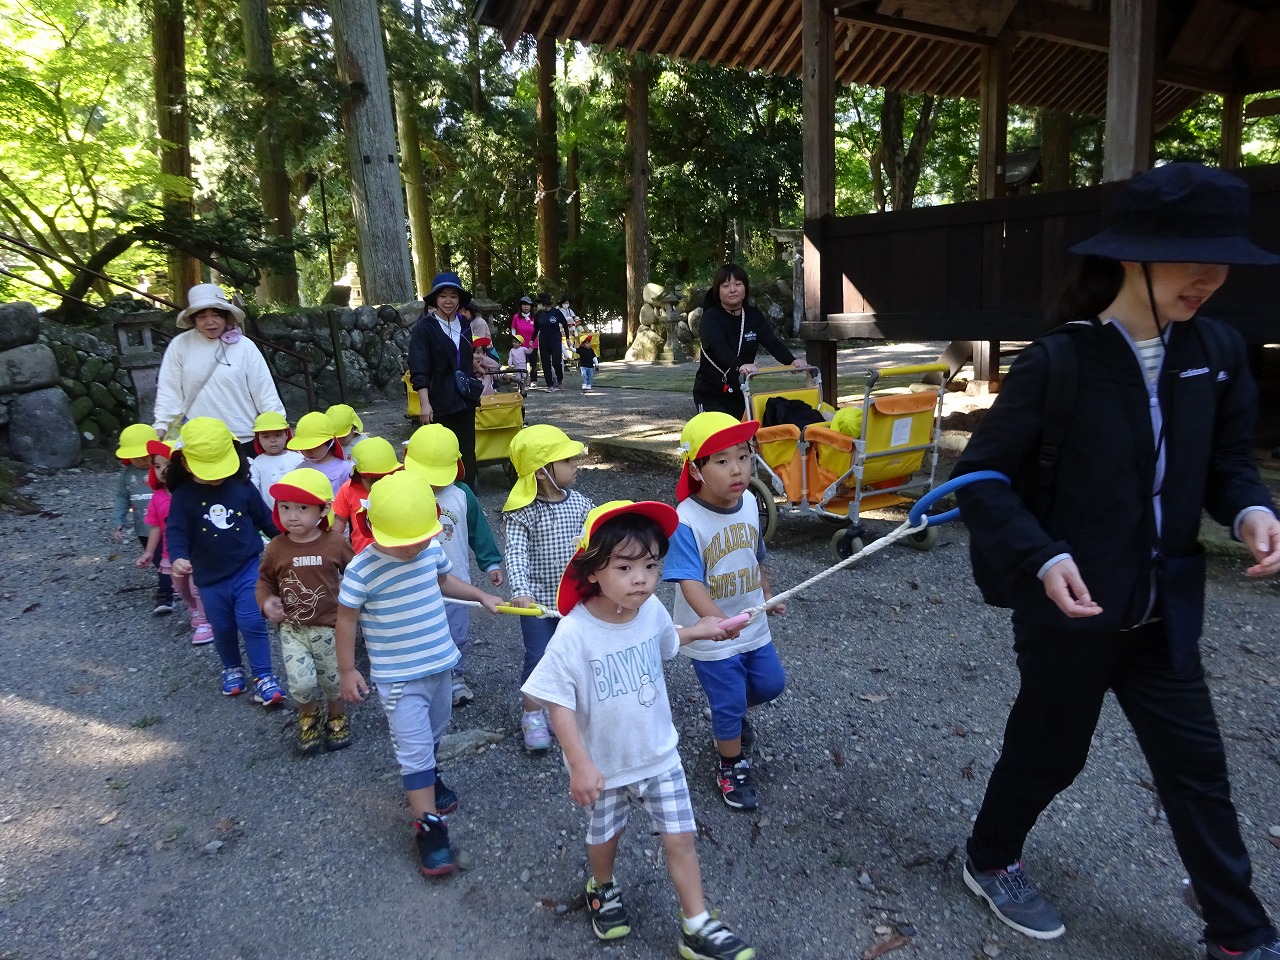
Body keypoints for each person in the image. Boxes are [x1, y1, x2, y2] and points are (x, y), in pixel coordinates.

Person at [950, 162, 1280, 958]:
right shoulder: (1059, 361)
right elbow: (981, 479)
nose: (1209, 278)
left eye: (1222, 259)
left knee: (1197, 768)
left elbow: (1228, 461)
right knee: (1050, 753)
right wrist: (1042, 557)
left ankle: (1240, 936)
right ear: (1133, 255)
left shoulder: (1220, 351)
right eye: (1191, 258)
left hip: (1164, 606)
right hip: (1072, 608)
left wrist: (1252, 508)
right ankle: (989, 857)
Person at [522, 500, 754, 960]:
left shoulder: (650, 612)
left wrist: (702, 629)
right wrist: (580, 764)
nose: (641, 579)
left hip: (658, 754)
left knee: (681, 836)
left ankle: (696, 924)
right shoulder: (574, 632)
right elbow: (556, 699)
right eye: (625, 567)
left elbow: (667, 639)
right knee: (605, 837)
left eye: (650, 566)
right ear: (593, 570)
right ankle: (602, 887)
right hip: (604, 765)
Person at [336, 470, 502, 878]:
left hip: (440, 666)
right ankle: (430, 831)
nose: (413, 548)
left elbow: (445, 581)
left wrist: (480, 594)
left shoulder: (430, 551)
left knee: (435, 730)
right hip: (398, 679)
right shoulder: (362, 570)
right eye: (403, 542)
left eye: (420, 538)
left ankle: (430, 774)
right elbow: (345, 621)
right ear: (372, 527)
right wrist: (347, 668)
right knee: (413, 748)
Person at [665, 412, 787, 811]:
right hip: (711, 634)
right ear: (695, 470)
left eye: (743, 456)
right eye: (722, 461)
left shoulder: (749, 502)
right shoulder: (686, 520)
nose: (737, 469)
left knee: (770, 684)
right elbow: (689, 581)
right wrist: (714, 619)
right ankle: (730, 764)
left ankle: (729, 719)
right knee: (730, 698)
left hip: (752, 622)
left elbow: (754, 554)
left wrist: (767, 592)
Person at [165, 417, 285, 705]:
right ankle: (232, 667)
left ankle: (264, 676)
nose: (217, 477)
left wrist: (287, 543)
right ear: (186, 463)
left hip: (247, 568)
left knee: (252, 621)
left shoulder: (242, 486)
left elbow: (265, 519)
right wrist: (179, 556)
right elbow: (176, 530)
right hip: (208, 578)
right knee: (222, 627)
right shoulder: (183, 496)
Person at [502, 424, 594, 751]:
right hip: (538, 604)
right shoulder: (523, 512)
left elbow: (596, 542)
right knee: (539, 657)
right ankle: (532, 713)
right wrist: (520, 590)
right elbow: (515, 553)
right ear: (542, 472)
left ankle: (562, 710)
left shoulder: (580, 503)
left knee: (574, 656)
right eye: (567, 460)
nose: (576, 464)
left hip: (577, 601)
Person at [256, 468, 355, 755]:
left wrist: (356, 595)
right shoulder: (277, 546)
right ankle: (309, 713)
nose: (292, 516)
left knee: (333, 681)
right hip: (293, 629)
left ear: (323, 510)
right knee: (300, 683)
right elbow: (264, 580)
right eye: (285, 507)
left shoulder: (335, 543)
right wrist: (266, 601)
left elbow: (357, 572)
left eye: (302, 508)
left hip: (330, 627)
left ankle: (336, 716)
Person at [404, 424, 504, 708]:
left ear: (457, 466)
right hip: (413, 584)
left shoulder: (462, 494)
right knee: (419, 633)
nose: (434, 483)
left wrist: (490, 562)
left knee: (457, 633)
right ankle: (423, 679)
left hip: (456, 582)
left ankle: (455, 676)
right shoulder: (403, 490)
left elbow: (478, 530)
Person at [152, 283, 284, 448]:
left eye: (216, 315)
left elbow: (264, 390)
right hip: (198, 439)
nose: (210, 322)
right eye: (202, 317)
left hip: (242, 437)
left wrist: (277, 423)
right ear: (193, 320)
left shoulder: (245, 346)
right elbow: (169, 390)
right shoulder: (180, 345)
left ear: (225, 317)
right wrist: (162, 425)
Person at [693, 264, 804, 418]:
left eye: (738, 284)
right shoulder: (710, 318)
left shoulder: (753, 315)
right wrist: (740, 365)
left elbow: (772, 343)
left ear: (745, 288)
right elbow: (719, 347)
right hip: (710, 391)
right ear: (717, 290)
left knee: (743, 431)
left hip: (739, 389)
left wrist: (792, 361)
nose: (733, 289)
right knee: (719, 430)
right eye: (726, 286)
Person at [409, 272, 481, 490]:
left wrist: (476, 368)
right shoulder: (424, 328)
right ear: (435, 299)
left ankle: (467, 498)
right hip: (439, 401)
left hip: (465, 401)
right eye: (442, 296)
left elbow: (463, 358)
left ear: (459, 299)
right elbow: (419, 367)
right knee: (440, 452)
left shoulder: (465, 323)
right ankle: (441, 498)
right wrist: (425, 404)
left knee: (466, 452)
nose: (448, 301)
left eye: (453, 296)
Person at [137, 439, 211, 645]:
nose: (162, 471)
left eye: (168, 465)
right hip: (170, 554)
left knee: (196, 587)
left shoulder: (193, 492)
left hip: (196, 552)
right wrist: (149, 552)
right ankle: (194, 609)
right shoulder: (158, 497)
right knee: (180, 588)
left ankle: (206, 621)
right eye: (157, 466)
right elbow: (156, 527)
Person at [113, 423, 170, 614]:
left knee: (165, 558)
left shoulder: (162, 468)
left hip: (166, 526)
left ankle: (165, 594)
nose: (141, 460)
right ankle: (172, 583)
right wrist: (118, 521)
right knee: (156, 558)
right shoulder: (128, 474)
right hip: (144, 528)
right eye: (136, 457)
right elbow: (122, 497)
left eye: (145, 456)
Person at [331, 436, 402, 554]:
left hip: (398, 552)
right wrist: (332, 545)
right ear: (358, 475)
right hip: (363, 555)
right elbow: (339, 520)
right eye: (373, 480)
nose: (379, 484)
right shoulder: (348, 490)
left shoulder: (402, 487)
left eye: (385, 477)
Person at [247, 412, 304, 511]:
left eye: (278, 435)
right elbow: (253, 488)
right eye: (266, 437)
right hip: (270, 512)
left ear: (286, 435)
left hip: (297, 510)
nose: (273, 440)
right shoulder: (257, 463)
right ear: (258, 439)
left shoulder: (298, 459)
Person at [288, 411, 352, 498]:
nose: (308, 451)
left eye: (314, 446)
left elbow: (351, 497)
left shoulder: (344, 469)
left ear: (329, 443)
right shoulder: (300, 469)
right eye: (304, 446)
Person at [533, 293, 572, 391]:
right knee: (546, 364)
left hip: (555, 341)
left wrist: (567, 338)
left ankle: (560, 380)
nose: (538, 305)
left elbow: (565, 324)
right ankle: (549, 384)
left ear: (545, 303)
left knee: (556, 362)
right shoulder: (539, 314)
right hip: (543, 341)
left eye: (539, 303)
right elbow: (536, 329)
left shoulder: (556, 312)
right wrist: (532, 340)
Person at [511, 295, 539, 382]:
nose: (526, 307)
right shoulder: (516, 317)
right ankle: (522, 380)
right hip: (520, 345)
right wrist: (515, 340)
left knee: (533, 363)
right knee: (521, 363)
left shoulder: (535, 317)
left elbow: (539, 329)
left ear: (531, 306)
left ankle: (533, 380)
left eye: (527, 305)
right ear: (521, 306)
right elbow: (513, 329)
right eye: (524, 304)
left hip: (532, 344)